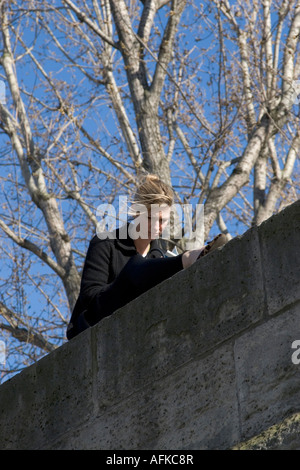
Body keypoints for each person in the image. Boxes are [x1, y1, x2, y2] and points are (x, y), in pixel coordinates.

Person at [66, 174, 227, 340]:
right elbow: (91, 300)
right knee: (135, 269)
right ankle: (187, 259)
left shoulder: (160, 257)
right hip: (94, 327)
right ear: (136, 212)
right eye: (150, 218)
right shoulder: (105, 242)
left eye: (162, 221)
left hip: (136, 331)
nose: (156, 227)